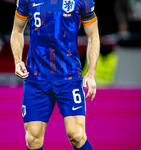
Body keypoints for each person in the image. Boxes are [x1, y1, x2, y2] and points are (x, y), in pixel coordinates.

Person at [10, 0, 100, 149]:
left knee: (77, 135)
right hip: (36, 77)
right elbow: (17, 31)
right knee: (33, 139)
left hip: (69, 77)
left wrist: (91, 74)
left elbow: (93, 36)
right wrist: (17, 60)